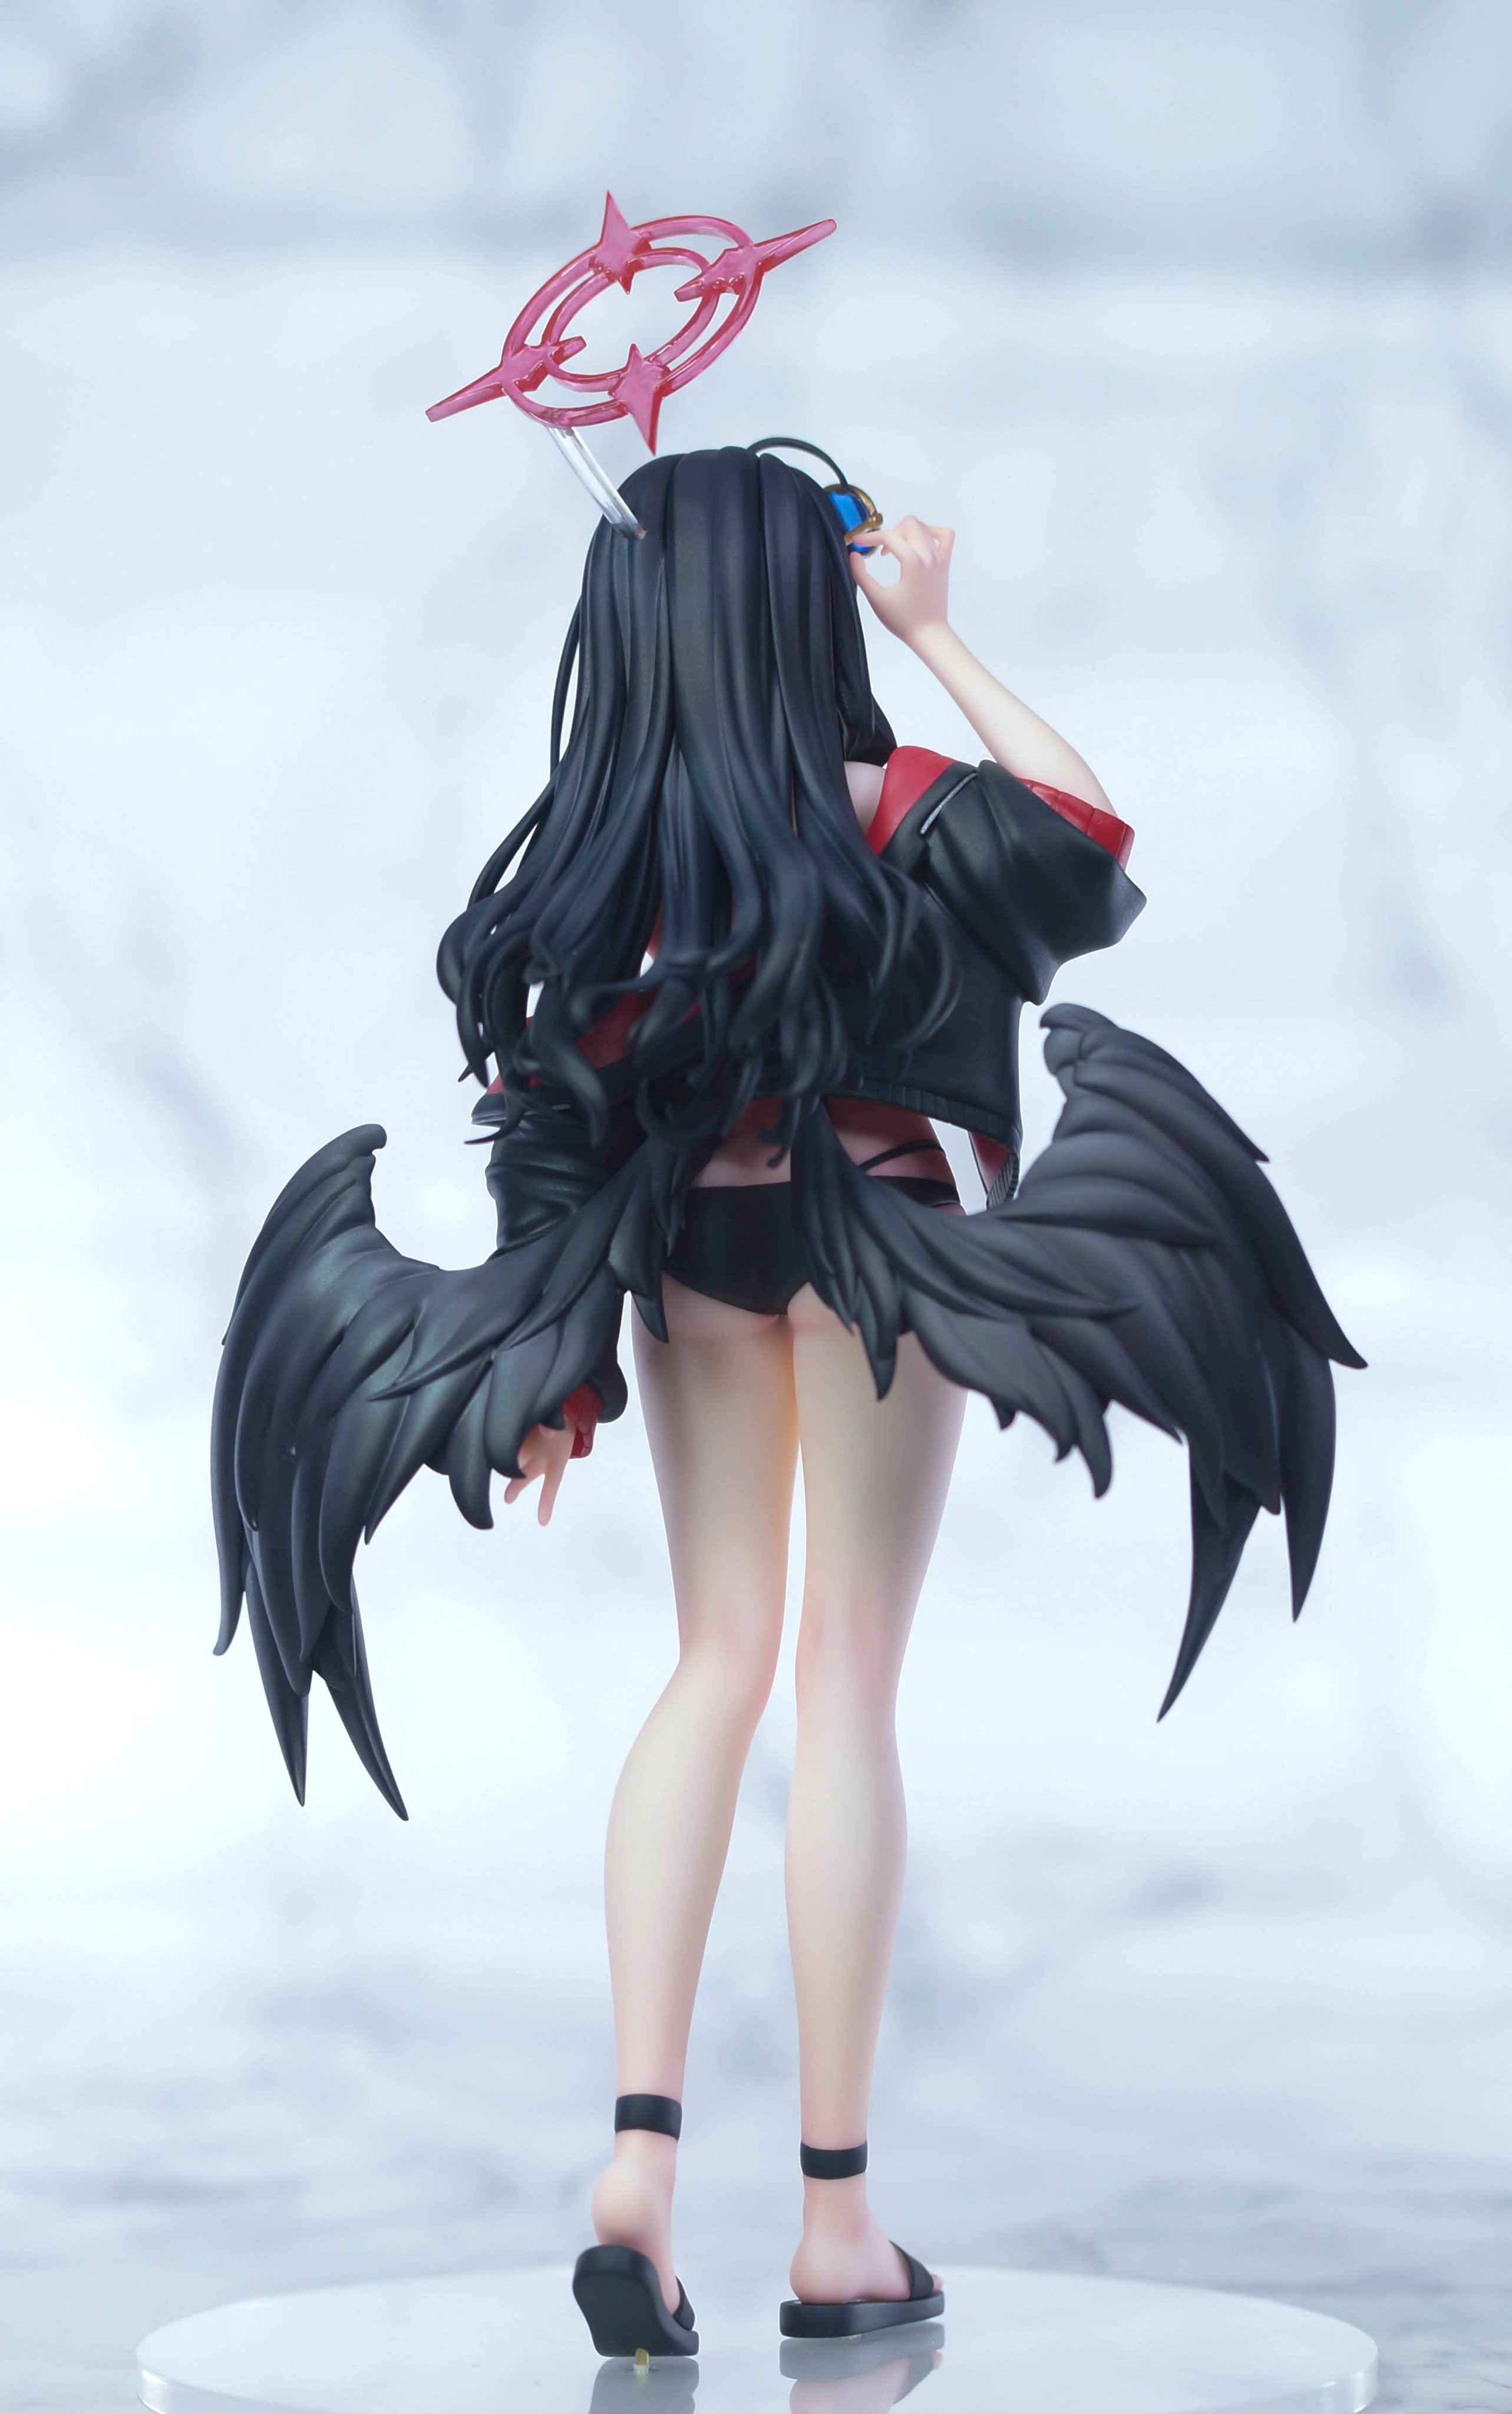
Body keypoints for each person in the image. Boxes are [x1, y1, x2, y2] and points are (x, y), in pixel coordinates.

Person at [211, 444, 1361, 2360]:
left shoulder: (607, 861)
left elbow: (550, 1120)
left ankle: (635, 2169)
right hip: (879, 1246)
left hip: (686, 1264)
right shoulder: (887, 807)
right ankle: (837, 2226)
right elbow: (1087, 842)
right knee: (842, 1682)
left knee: (713, 1660)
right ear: (799, 602)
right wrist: (933, 630)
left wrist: (557, 1361)